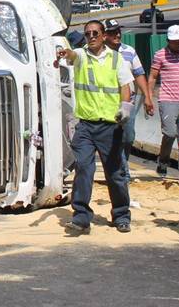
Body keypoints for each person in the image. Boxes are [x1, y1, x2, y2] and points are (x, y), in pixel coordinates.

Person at [55, 19, 135, 233]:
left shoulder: (116, 59)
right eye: (87, 33)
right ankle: (81, 216)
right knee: (83, 168)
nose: (91, 37)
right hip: (86, 126)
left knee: (115, 173)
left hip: (110, 125)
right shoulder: (81, 56)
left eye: (95, 33)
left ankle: (121, 214)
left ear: (103, 36)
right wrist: (66, 53)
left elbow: (125, 85)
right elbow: (72, 56)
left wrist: (125, 107)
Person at [103, 19, 153, 182]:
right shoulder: (100, 54)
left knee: (128, 137)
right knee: (115, 139)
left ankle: (120, 167)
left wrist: (147, 96)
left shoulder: (129, 51)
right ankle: (123, 171)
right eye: (112, 32)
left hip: (128, 104)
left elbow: (139, 74)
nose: (117, 35)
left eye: (118, 31)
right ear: (105, 36)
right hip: (108, 105)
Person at [148, 25, 179, 185]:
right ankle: (163, 160)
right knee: (169, 133)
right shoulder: (160, 55)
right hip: (168, 100)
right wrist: (148, 97)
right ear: (168, 40)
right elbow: (153, 76)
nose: (177, 44)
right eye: (174, 41)